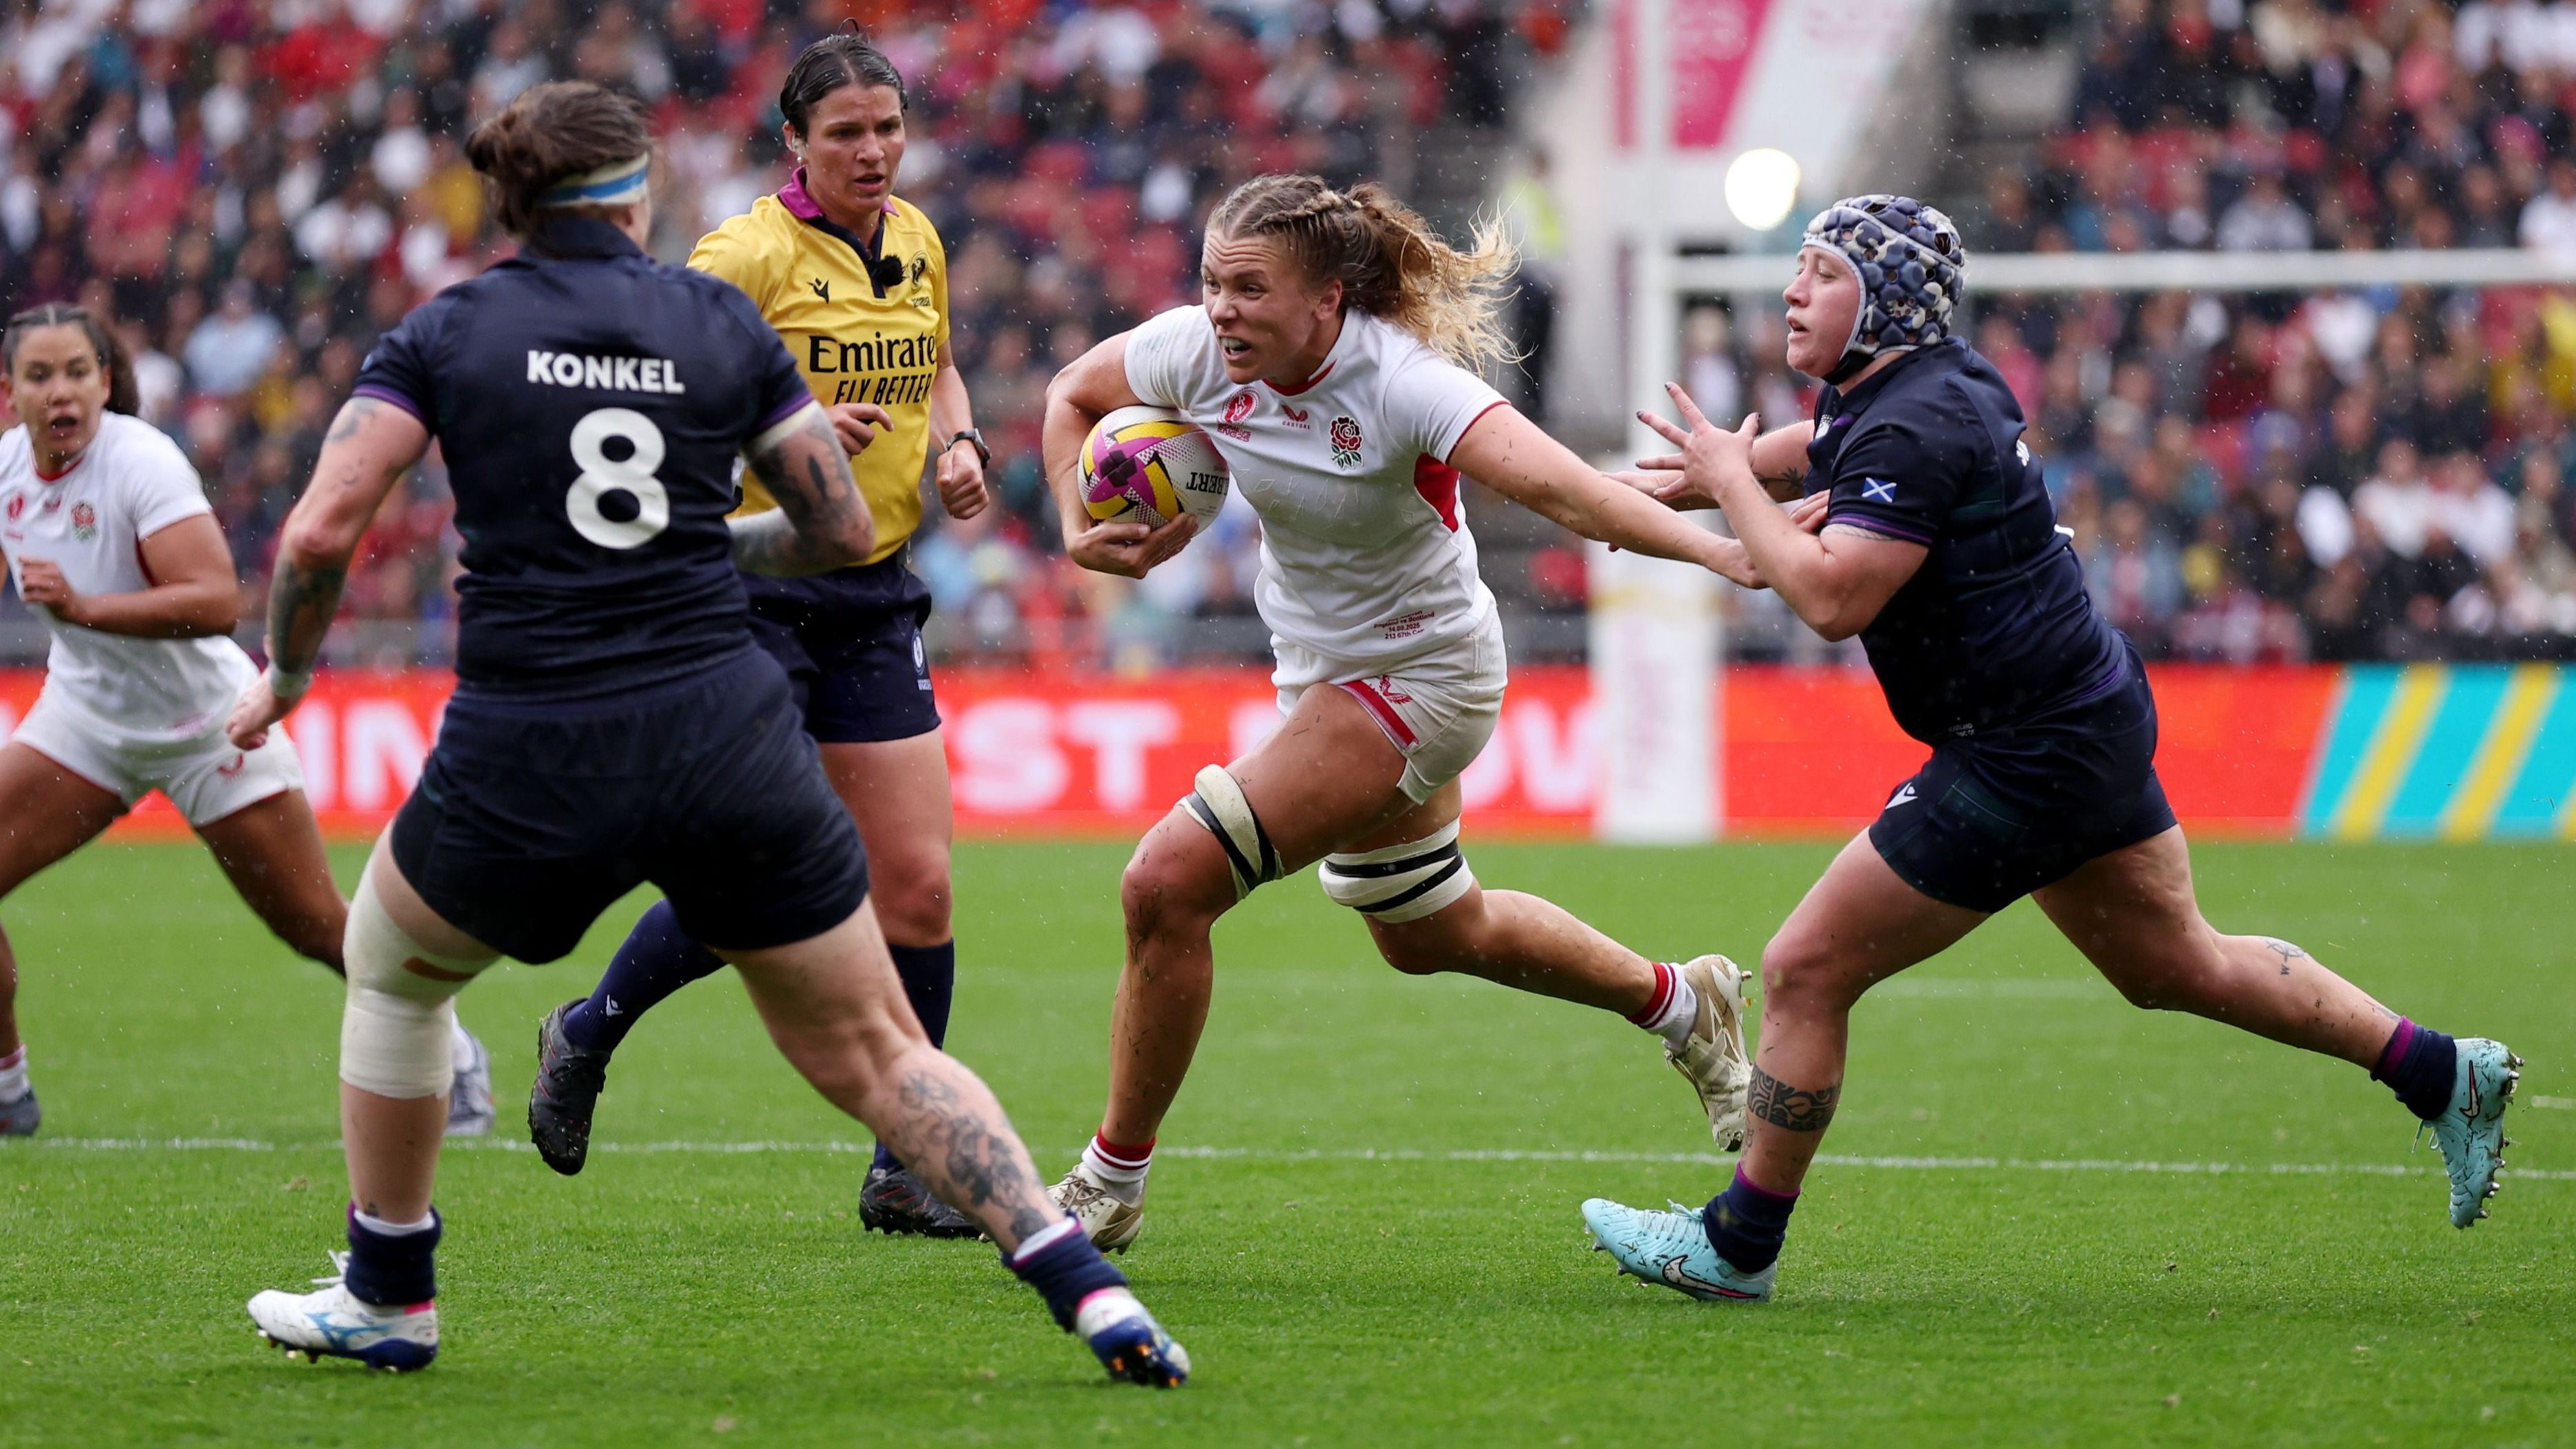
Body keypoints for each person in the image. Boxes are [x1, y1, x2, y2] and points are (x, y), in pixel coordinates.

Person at [231, 83, 1186, 1385]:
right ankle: (1092, 1292)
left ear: (505, 200)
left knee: (393, 971)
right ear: (639, 193)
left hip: (533, 734)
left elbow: (322, 531)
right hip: (719, 721)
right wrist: (689, 543)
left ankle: (391, 1288)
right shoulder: (718, 312)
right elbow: (840, 527)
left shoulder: (449, 328)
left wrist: (286, 673)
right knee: (881, 1048)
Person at [1580, 195, 2520, 1303]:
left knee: (1804, 967)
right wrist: (1733, 469)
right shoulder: (1924, 386)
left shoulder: (1911, 423)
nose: (1790, 290)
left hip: (2019, 750)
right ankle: (2439, 1070)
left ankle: (1736, 1245)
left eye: (1819, 272)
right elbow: (1818, 448)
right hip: (2081, 717)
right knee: (2177, 963)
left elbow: (1830, 598)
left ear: (1881, 304)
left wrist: (1730, 482)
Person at [1038, 173, 1793, 1250]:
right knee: (1433, 931)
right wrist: (1074, 512)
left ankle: (1105, 1185)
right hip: (1321, 672)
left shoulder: (1403, 385)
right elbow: (1072, 389)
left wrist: (1725, 547)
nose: (1220, 310)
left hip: (1420, 675)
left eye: (1248, 288)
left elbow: (1567, 491)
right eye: (1210, 282)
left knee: (1166, 882)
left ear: (1327, 300)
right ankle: (1682, 1002)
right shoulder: (1195, 354)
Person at [523, 30, 992, 1240]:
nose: (874, 151)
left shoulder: (918, 235)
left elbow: (936, 360)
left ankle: (906, 1163)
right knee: (758, 869)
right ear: (794, 141)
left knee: (922, 886)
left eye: (887, 128)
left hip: (876, 591)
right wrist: (772, 444)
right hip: (749, 591)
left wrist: (958, 440)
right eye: (846, 133)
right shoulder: (739, 256)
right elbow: (642, 414)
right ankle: (588, 1031)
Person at [0, 303, 491, 1141]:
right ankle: (8, 1089)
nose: (61, 393)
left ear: (106, 381)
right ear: (9, 392)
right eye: (39, 376)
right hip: (84, 719)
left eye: (77, 372)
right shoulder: (10, 467)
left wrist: (87, 606)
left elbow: (217, 600)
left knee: (318, 928)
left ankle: (453, 1050)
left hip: (207, 724)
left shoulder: (140, 463)